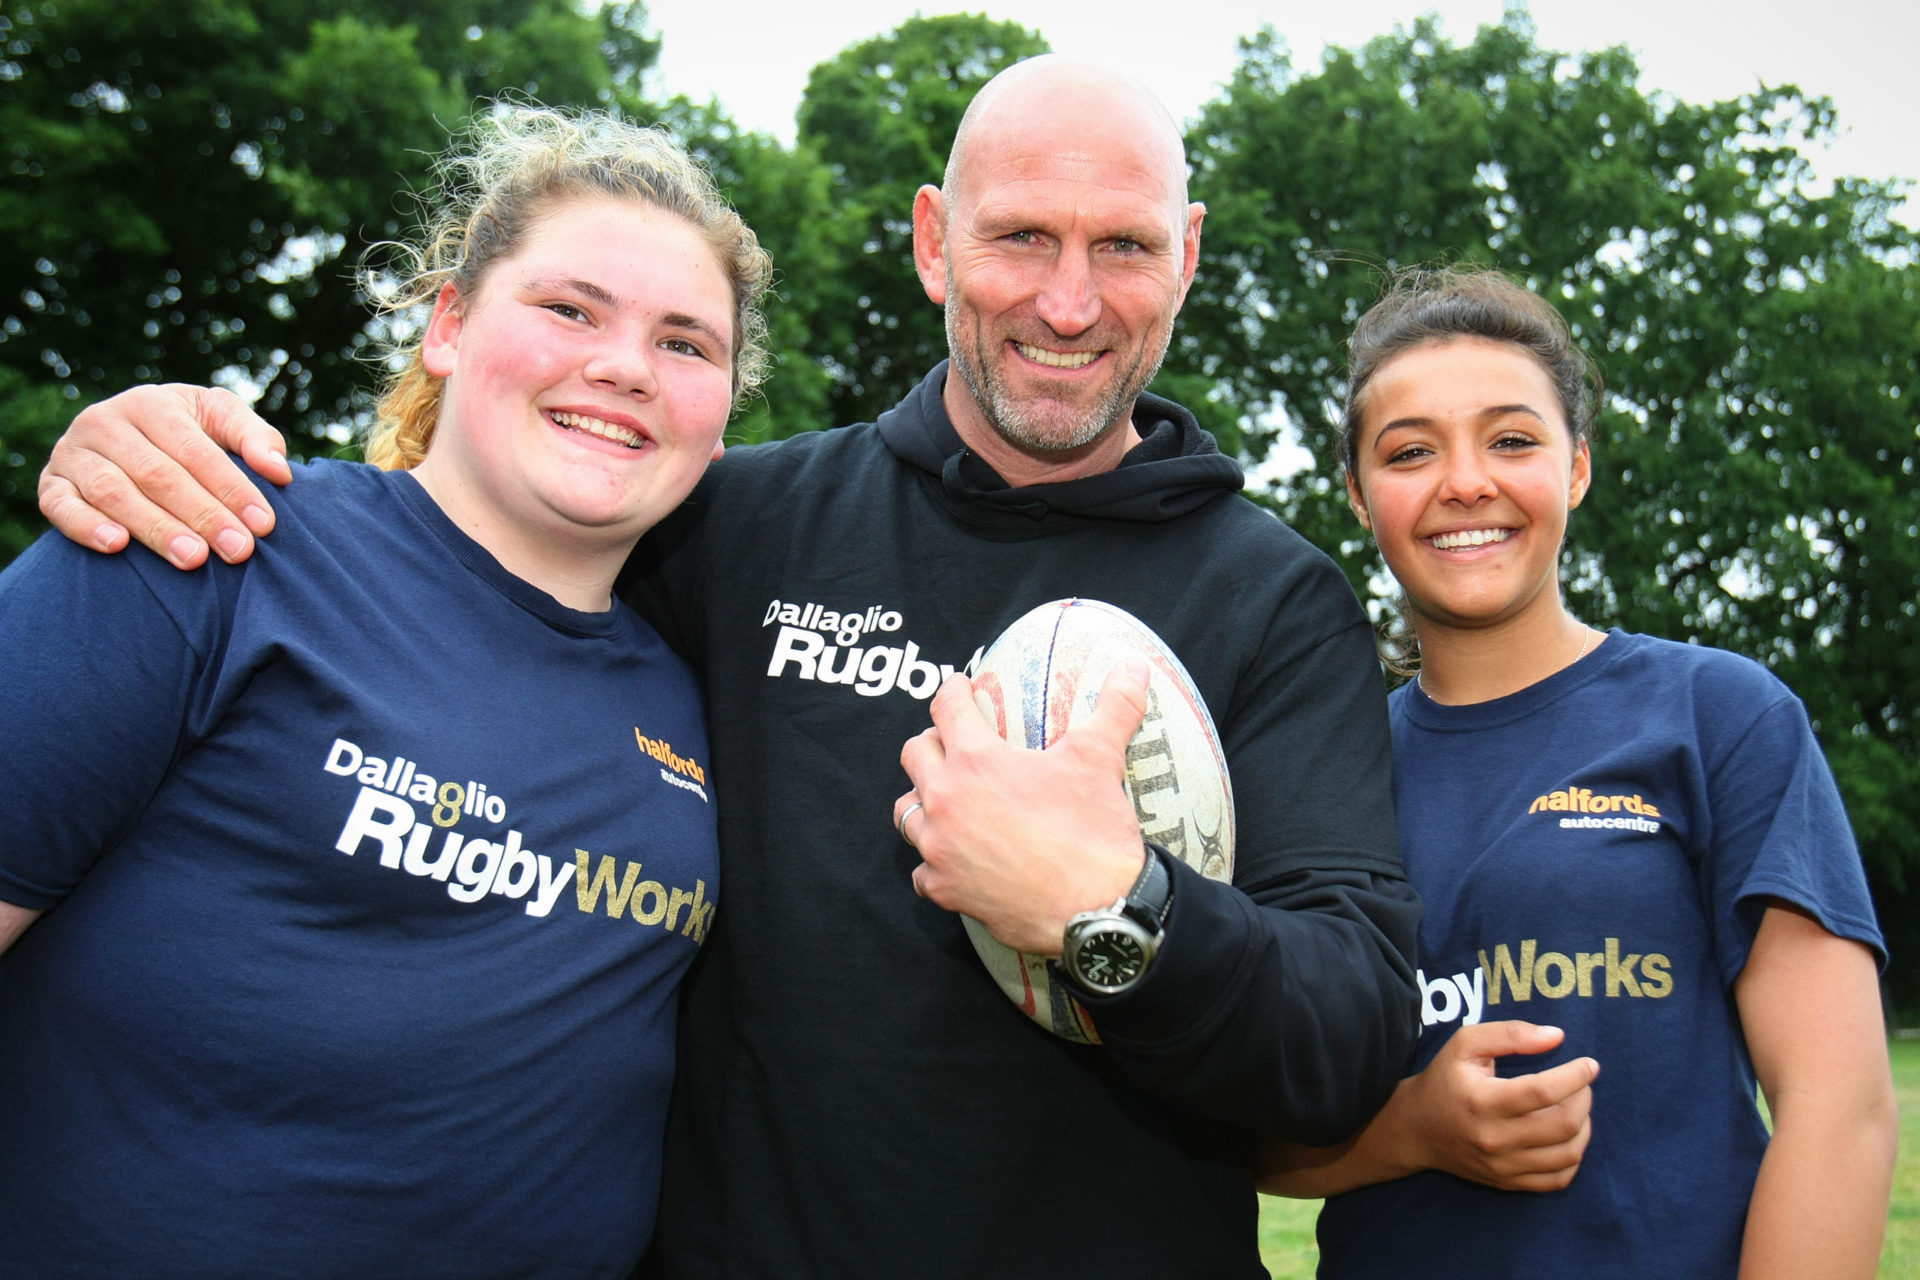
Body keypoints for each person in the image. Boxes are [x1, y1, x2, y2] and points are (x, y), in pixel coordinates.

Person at [35, 58, 1420, 1278]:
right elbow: (465, 550)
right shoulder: (720, 526)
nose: (1069, 300)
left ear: (1186, 254)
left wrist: (1110, 906)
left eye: (1121, 246)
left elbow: (1345, 1044)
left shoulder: (1277, 598)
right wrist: (151, 443)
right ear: (934, 243)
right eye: (1021, 238)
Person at [1, 104, 774, 1276]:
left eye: (685, 343)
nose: (623, 365)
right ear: (447, 326)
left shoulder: (704, 694)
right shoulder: (203, 546)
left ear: (721, 419)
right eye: (570, 308)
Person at [1260, 266, 1896, 1278]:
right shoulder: (1313, 766)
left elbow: (1842, 1107)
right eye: (1410, 450)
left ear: (1579, 466)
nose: (1464, 480)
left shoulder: (1720, 715)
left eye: (1512, 439)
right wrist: (1417, 1125)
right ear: (1358, 495)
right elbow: (1245, 1130)